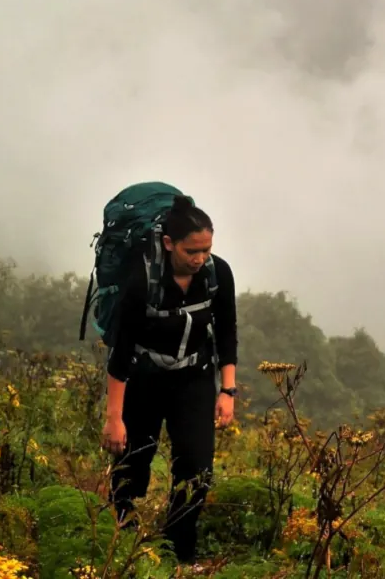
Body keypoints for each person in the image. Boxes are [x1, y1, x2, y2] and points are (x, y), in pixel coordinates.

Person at [100, 195, 239, 566]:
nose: (200, 259)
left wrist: (227, 390)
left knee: (197, 469)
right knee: (133, 463)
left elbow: (227, 332)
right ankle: (123, 543)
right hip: (144, 380)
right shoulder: (141, 280)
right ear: (168, 243)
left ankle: (181, 553)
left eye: (206, 249)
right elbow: (121, 351)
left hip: (193, 378)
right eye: (192, 250)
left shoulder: (217, 274)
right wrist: (114, 417)